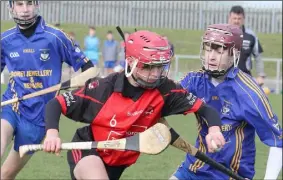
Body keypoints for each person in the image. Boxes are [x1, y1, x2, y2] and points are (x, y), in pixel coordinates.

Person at [42, 30, 226, 180]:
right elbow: (55, 103)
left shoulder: (165, 90)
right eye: (148, 66)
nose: (155, 73)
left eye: (159, 66)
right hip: (88, 149)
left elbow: (206, 110)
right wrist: (52, 133)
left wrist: (215, 130)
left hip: (119, 163)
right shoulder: (104, 89)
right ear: (131, 62)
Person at [170, 24, 282, 180]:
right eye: (208, 49)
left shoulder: (249, 92)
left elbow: (277, 140)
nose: (211, 56)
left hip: (231, 175)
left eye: (219, 50)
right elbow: (166, 98)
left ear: (234, 54)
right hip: (194, 169)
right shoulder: (195, 80)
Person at [0, 1, 94, 179]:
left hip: (39, 119)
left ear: (37, 5)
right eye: (19, 4)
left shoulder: (55, 37)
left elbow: (89, 70)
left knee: (5, 175)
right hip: (12, 106)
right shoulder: (5, 40)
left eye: (29, 3)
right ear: (11, 7)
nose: (25, 9)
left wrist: (71, 92)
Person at [228, 5, 265, 86]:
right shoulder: (222, 33)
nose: (236, 21)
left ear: (243, 19)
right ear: (229, 18)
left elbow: (258, 57)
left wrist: (261, 75)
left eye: (239, 18)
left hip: (245, 78)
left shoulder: (251, 35)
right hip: (225, 78)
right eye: (234, 18)